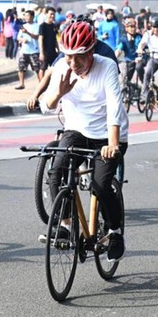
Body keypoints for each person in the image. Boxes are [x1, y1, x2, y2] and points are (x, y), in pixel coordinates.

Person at [42, 21, 129, 262]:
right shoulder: (62, 67)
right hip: (77, 131)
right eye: (69, 57)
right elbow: (45, 106)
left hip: (107, 135)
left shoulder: (107, 66)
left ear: (91, 51)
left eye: (79, 57)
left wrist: (112, 144)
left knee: (100, 186)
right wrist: (59, 92)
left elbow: (114, 107)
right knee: (56, 172)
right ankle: (67, 225)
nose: (73, 63)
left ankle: (114, 231)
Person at [115, 17, 144, 89]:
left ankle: (143, 84)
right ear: (126, 28)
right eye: (130, 27)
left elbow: (143, 47)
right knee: (125, 77)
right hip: (128, 60)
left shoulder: (139, 37)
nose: (133, 29)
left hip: (139, 59)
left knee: (139, 67)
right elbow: (119, 48)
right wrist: (116, 54)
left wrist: (140, 56)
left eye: (134, 27)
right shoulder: (123, 39)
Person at [15, 10, 41, 90]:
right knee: (21, 67)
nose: (26, 17)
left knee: (37, 69)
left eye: (28, 16)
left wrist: (27, 33)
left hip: (34, 51)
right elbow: (18, 37)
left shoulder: (37, 26)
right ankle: (21, 84)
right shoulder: (23, 26)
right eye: (25, 16)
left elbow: (37, 37)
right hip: (24, 51)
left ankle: (41, 84)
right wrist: (22, 40)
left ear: (32, 16)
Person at [39, 7, 59, 77]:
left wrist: (58, 49)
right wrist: (41, 53)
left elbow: (55, 39)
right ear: (46, 14)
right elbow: (40, 39)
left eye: (53, 14)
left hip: (53, 51)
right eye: (51, 14)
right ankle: (41, 84)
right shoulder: (42, 26)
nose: (52, 16)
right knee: (43, 68)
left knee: (55, 68)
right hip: (45, 52)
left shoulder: (54, 26)